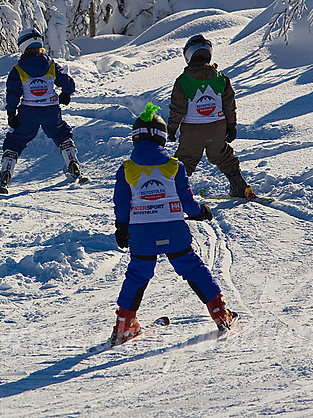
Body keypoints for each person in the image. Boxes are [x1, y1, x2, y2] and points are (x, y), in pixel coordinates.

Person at [110, 102, 236, 345]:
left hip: (142, 235)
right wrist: (201, 212)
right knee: (193, 269)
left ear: (135, 139)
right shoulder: (174, 167)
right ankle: (220, 313)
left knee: (137, 275)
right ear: (162, 139)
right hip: (173, 231)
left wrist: (121, 228)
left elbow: (121, 203)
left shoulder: (126, 169)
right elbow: (187, 202)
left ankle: (124, 325)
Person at [167, 34, 257, 199]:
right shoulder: (221, 79)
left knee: (185, 161)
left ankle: (172, 193)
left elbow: (177, 109)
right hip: (217, 128)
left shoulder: (183, 81)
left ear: (188, 55)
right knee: (224, 156)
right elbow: (229, 106)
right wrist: (232, 126)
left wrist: (171, 129)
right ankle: (239, 187)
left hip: (192, 131)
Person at [0, 28, 85, 192]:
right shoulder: (51, 65)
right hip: (50, 110)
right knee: (61, 133)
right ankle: (72, 162)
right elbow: (67, 82)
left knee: (17, 139)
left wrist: (11, 113)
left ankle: (6, 171)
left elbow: (13, 93)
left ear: (23, 47)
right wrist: (66, 93)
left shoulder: (19, 69)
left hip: (28, 112)